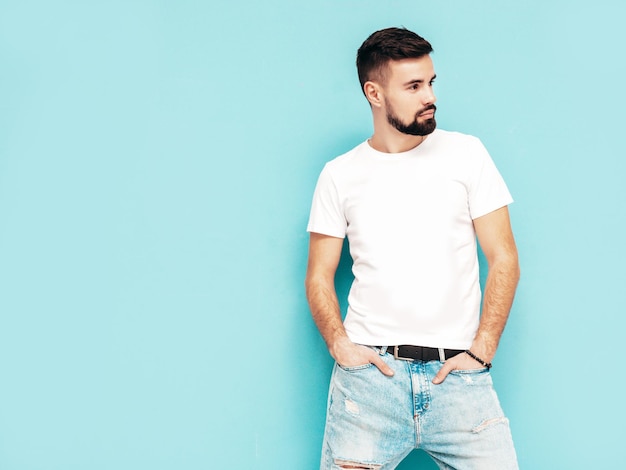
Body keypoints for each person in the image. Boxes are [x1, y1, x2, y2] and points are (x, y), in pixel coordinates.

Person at [305, 27, 520, 469]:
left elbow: (504, 257)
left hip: (459, 382)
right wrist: (340, 346)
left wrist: (483, 349)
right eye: (413, 86)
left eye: (431, 82)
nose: (429, 96)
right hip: (369, 385)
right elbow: (318, 275)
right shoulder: (339, 175)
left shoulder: (467, 154)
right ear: (374, 93)